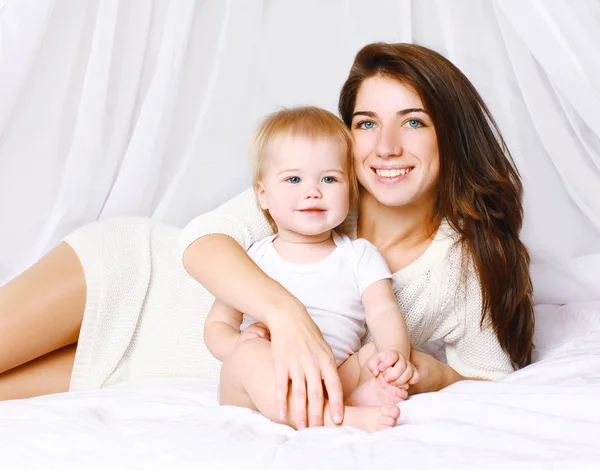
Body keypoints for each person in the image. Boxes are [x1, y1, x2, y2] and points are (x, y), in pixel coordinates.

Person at [0, 42, 534, 432]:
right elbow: (200, 242)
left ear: (452, 134)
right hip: (127, 277)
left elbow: (488, 380)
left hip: (140, 364)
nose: (387, 145)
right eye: (367, 123)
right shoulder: (314, 197)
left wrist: (432, 372)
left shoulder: (459, 265)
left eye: (414, 122)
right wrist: (285, 313)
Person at [206, 106, 419, 432]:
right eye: (293, 179)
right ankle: (341, 418)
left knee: (373, 352)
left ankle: (360, 395)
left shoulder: (359, 256)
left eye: (329, 178)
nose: (312, 191)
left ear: (350, 189)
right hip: (261, 386)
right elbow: (217, 325)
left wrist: (392, 356)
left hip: (334, 376)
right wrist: (238, 343)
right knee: (249, 356)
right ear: (263, 195)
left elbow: (384, 313)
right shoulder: (252, 259)